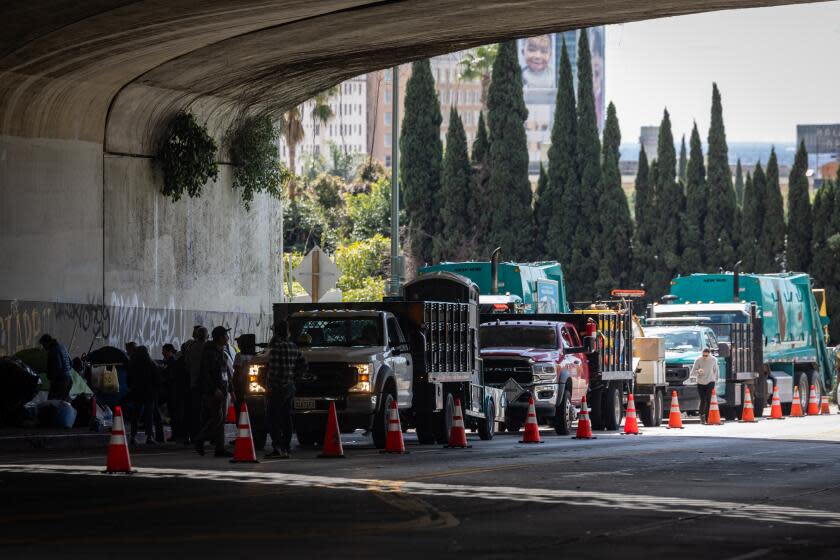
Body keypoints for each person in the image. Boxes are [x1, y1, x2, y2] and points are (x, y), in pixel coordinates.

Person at [265, 321, 307, 459]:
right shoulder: (293, 347)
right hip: (289, 387)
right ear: (288, 332)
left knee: (272, 419)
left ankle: (277, 447)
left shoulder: (276, 348)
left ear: (276, 332)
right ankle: (286, 447)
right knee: (286, 418)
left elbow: (274, 370)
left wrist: (270, 386)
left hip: (277, 388)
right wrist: (295, 378)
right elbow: (303, 364)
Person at [195, 326, 233, 457]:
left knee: (221, 420)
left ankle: (220, 448)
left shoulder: (221, 350)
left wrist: (231, 390)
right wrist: (214, 389)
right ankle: (200, 438)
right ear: (220, 337)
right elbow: (206, 373)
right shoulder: (210, 352)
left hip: (223, 389)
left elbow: (226, 372)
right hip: (214, 391)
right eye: (226, 335)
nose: (228, 338)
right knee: (217, 418)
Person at [127, 346, 163, 445]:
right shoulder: (151, 364)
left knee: (135, 415)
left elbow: (129, 380)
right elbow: (157, 380)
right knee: (149, 416)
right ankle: (149, 436)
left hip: (137, 393)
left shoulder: (132, 365)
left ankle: (133, 436)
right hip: (149, 394)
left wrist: (132, 388)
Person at [186, 326, 208, 441]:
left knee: (195, 410)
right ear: (206, 336)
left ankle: (194, 434)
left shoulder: (191, 347)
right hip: (205, 384)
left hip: (194, 383)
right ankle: (205, 435)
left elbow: (187, 364)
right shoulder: (207, 348)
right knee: (207, 411)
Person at [39, 334, 73, 402]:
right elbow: (71, 363)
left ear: (47, 342)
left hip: (61, 382)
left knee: (51, 403)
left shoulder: (53, 351)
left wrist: (51, 379)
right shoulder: (62, 347)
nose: (43, 347)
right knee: (61, 403)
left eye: (43, 344)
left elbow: (57, 367)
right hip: (69, 380)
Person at [692, 347, 720, 424]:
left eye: (706, 356)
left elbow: (716, 371)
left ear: (709, 354)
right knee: (703, 399)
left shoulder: (713, 360)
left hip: (710, 381)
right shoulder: (698, 360)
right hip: (700, 382)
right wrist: (698, 371)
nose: (705, 357)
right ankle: (702, 416)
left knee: (709, 400)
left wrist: (716, 380)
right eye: (703, 355)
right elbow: (693, 373)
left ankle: (708, 417)